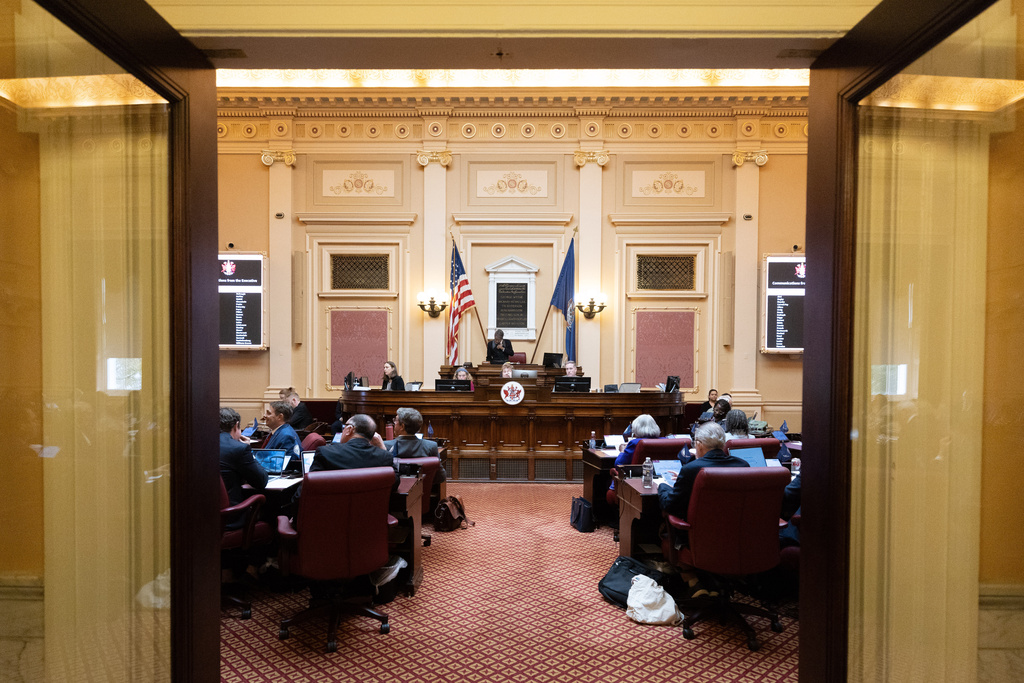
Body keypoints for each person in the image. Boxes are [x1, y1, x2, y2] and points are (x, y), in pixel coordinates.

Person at [658, 422, 749, 519]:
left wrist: (663, 486)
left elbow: (670, 505)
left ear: (699, 444)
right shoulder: (743, 466)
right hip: (735, 527)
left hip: (697, 528)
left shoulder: (690, 469)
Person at [219, 407, 268, 513]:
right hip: (230, 515)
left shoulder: (198, 444)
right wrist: (250, 452)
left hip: (201, 518)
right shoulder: (239, 448)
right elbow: (261, 481)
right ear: (236, 426)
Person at [310, 413, 394, 472]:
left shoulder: (325, 453)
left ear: (350, 429)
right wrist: (383, 449)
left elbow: (309, 486)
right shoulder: (385, 457)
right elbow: (394, 483)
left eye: (344, 426)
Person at [384, 407, 447, 482]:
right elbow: (441, 477)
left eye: (396, 420)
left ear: (402, 426)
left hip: (394, 491)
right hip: (422, 491)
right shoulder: (431, 446)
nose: (394, 423)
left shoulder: (386, 446)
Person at [609, 414, 662, 492]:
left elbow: (619, 464)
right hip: (658, 482)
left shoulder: (635, 443)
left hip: (634, 483)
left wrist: (622, 451)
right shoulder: (665, 440)